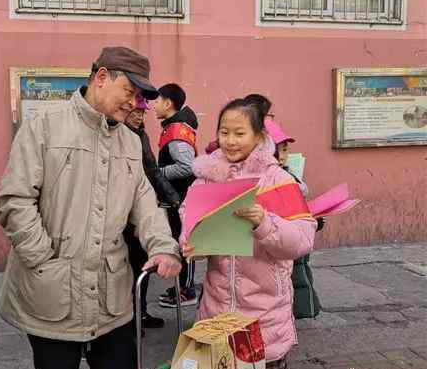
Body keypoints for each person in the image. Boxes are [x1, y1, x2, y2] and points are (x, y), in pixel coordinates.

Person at [0, 46, 181, 369]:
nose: (133, 101)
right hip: (53, 294)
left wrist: (163, 246)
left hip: (113, 299)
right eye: (129, 90)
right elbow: (14, 200)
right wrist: (43, 258)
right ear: (102, 77)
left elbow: (146, 206)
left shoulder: (131, 142)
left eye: (139, 96)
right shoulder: (45, 127)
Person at [182, 94, 317, 369]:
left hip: (265, 317)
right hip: (216, 313)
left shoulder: (278, 180)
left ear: (259, 136)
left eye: (239, 133)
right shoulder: (206, 179)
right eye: (224, 133)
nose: (230, 141)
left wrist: (263, 223)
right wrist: (189, 245)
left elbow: (302, 240)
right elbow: (188, 223)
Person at [123, 96, 181, 332]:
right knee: (123, 270)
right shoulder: (116, 135)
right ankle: (128, 319)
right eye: (135, 111)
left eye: (142, 112)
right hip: (120, 213)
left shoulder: (141, 136)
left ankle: (140, 313)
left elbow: (153, 171)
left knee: (142, 264)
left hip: (144, 209)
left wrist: (174, 198)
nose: (139, 115)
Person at [265, 118, 324, 320]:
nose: (283, 157)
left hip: (293, 241)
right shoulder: (271, 180)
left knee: (298, 278)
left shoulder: (287, 176)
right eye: (278, 150)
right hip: (279, 245)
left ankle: (299, 311)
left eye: (285, 150)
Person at [153, 83, 199, 308]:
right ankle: (181, 287)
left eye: (158, 100)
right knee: (179, 240)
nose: (154, 105)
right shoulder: (173, 127)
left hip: (181, 197)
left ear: (168, 103)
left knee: (185, 241)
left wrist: (157, 173)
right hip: (176, 196)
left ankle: (187, 289)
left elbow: (186, 166)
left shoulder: (176, 130)